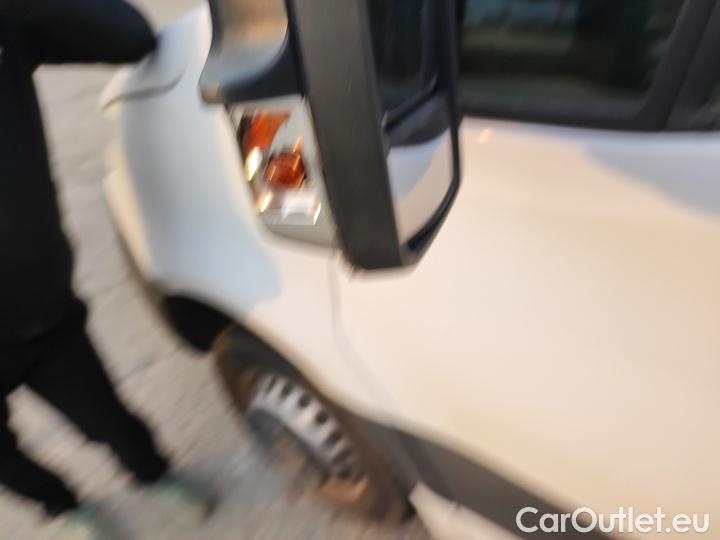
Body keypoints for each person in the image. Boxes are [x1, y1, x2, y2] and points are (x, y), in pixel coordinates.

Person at [0, 1, 214, 538]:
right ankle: (63, 509)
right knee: (5, 464)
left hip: (37, 315)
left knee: (109, 419)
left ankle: (153, 474)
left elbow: (129, 37)